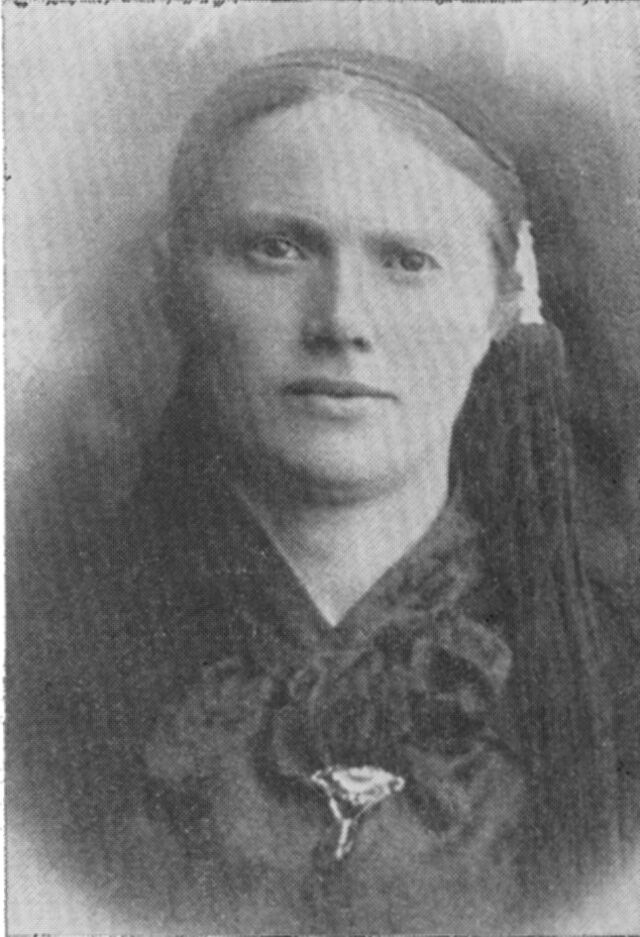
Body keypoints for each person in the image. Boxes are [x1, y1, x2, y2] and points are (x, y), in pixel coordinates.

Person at [8, 48, 637, 934]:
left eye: (407, 260)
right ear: (174, 281)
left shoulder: (609, 680)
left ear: (501, 306)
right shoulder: (42, 663)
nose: (341, 319)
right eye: (277, 249)